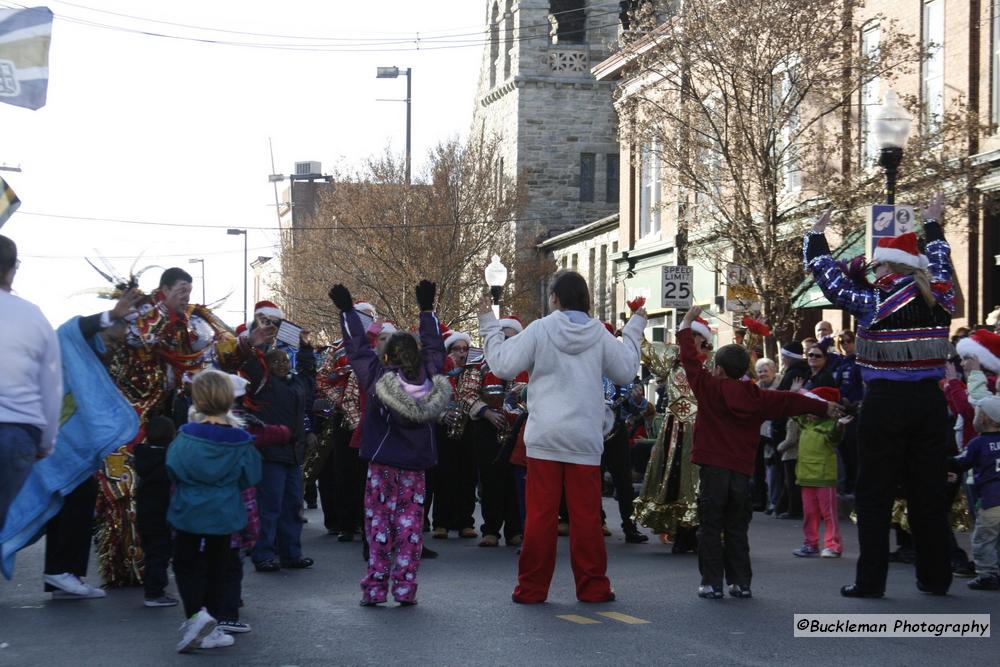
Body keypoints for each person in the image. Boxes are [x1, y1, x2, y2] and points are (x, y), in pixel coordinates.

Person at [805, 194, 955, 598]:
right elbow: (941, 262)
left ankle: (871, 581)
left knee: (875, 494)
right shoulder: (941, 298)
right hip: (929, 403)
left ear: (891, 265)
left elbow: (831, 283)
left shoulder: (875, 302)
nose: (874, 268)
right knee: (929, 494)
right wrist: (934, 225)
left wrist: (817, 238)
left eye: (879, 263)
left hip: (885, 402)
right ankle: (936, 577)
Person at [477, 270, 646, 604]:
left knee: (540, 517)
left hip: (545, 437)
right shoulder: (598, 333)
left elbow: (502, 364)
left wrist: (488, 322)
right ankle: (593, 586)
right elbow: (626, 371)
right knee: (585, 517)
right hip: (584, 437)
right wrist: (635, 327)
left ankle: (532, 588)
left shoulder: (541, 329)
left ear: (554, 297)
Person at [676, 306, 838, 599]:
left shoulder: (708, 388)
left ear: (720, 370)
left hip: (713, 468)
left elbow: (688, 359)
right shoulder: (758, 396)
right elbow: (791, 401)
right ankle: (741, 582)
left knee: (711, 526)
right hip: (741, 470)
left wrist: (687, 323)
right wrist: (824, 406)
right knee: (737, 527)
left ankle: (711, 583)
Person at [329, 280, 448, 606]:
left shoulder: (377, 377)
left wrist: (347, 312)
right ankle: (406, 588)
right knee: (410, 527)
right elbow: (437, 347)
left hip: (383, 463)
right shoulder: (429, 375)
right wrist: (426, 310)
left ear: (386, 355)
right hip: (415, 464)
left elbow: (356, 348)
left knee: (379, 523)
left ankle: (375, 588)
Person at [166, 370, 262, 653]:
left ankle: (196, 614)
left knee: (186, 565)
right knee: (219, 568)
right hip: (224, 511)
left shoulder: (184, 437)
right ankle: (212, 619)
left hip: (188, 511)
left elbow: (173, 469)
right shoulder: (241, 441)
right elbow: (251, 477)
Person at [633, 314, 712, 553]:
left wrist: (751, 336)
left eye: (697, 336)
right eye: (690, 335)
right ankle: (680, 532)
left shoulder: (712, 362)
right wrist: (636, 322)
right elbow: (645, 349)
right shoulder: (673, 360)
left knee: (698, 480)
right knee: (674, 478)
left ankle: (698, 531)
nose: (693, 340)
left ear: (704, 340)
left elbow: (739, 366)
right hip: (674, 430)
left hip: (701, 428)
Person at [0, 235, 62, 532]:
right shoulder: (33, 316)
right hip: (18, 435)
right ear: (12, 269)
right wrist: (46, 444)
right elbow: (51, 388)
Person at [242, 330, 316, 573]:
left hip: (293, 454)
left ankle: (291, 553)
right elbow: (252, 364)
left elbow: (308, 375)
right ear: (268, 365)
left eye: (285, 360)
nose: (282, 365)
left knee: (292, 506)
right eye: (276, 361)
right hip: (271, 453)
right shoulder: (264, 384)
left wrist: (305, 350)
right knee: (269, 507)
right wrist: (258, 345)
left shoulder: (296, 383)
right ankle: (263, 554)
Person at [433, 331, 481, 540]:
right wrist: (442, 415)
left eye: (465, 349)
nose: (462, 353)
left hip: (468, 426)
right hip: (444, 427)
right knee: (443, 475)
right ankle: (441, 522)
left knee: (467, 475)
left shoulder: (473, 372)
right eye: (456, 349)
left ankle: (465, 522)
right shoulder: (439, 372)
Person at [951, 396, 1000, 590]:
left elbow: (961, 462)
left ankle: (987, 574)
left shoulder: (978, 443)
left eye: (978, 414)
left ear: (986, 419)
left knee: (983, 540)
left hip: (990, 501)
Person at [790, 387, 845, 559]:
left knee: (828, 514)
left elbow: (835, 437)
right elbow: (791, 410)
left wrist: (839, 426)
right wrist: (793, 394)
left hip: (824, 477)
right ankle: (810, 543)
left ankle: (833, 545)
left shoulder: (830, 425)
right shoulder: (805, 422)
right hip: (805, 476)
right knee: (810, 514)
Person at [133, 415, 179, 607]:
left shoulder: (142, 456)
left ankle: (152, 589)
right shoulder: (168, 461)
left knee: (152, 552)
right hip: (163, 515)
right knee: (160, 554)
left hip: (145, 514)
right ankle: (155, 592)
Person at [754, 358, 781, 514]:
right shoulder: (755, 388)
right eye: (760, 371)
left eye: (765, 370)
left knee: (773, 469)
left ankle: (774, 501)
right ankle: (760, 501)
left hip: (774, 432)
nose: (763, 374)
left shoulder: (780, 385)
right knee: (758, 470)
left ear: (773, 371)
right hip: (758, 433)